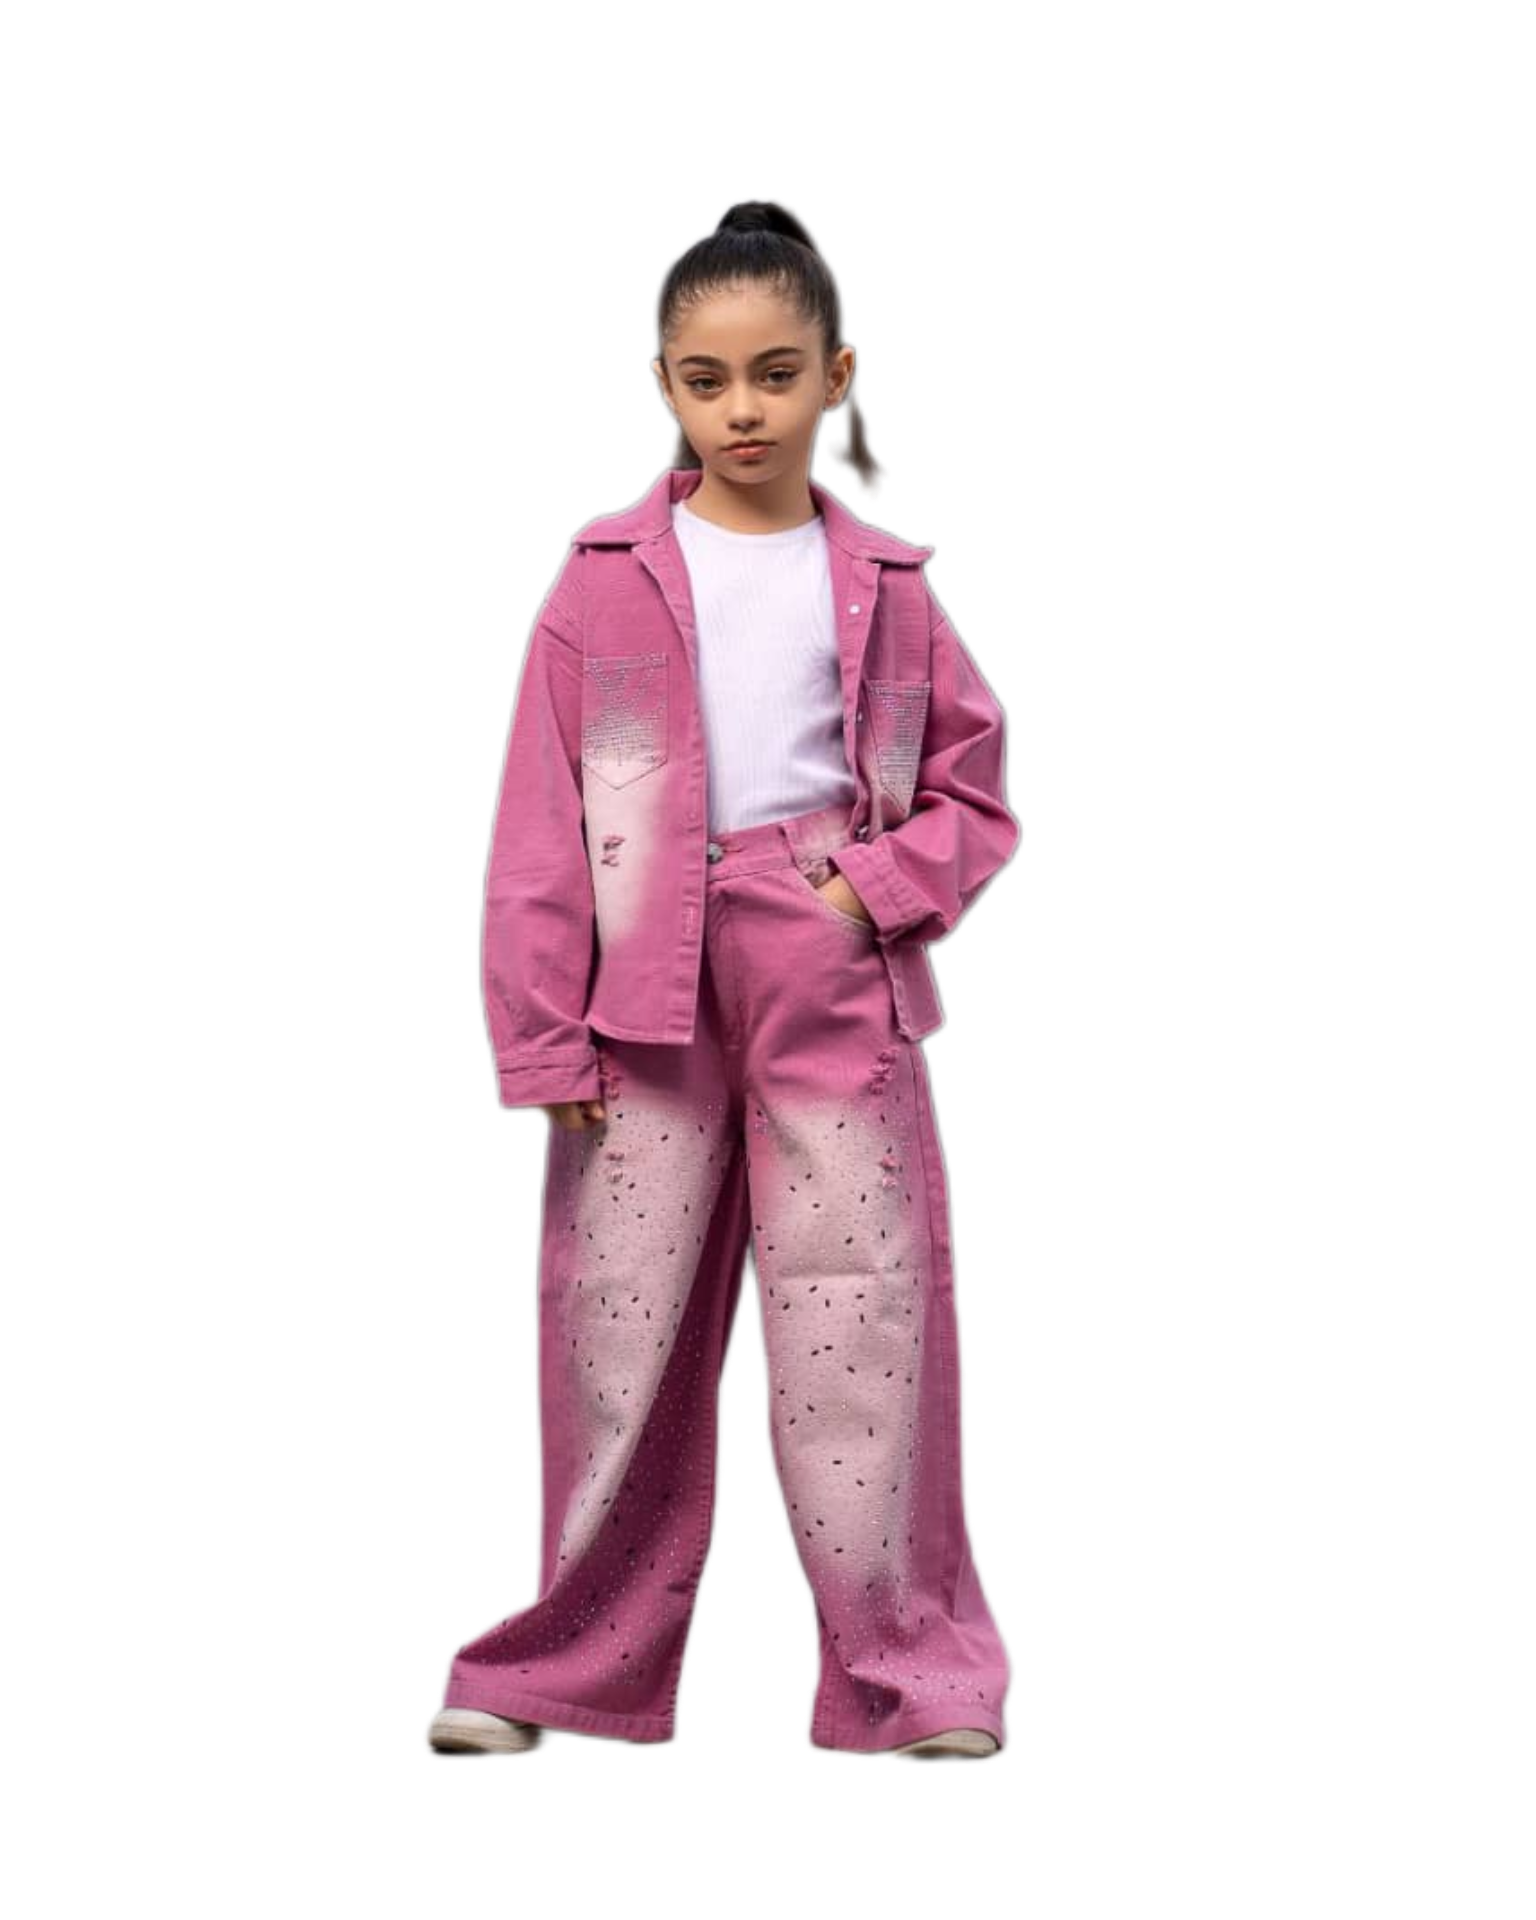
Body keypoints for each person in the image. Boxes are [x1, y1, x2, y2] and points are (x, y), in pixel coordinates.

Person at [424, 198, 1018, 1764]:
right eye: (705, 379)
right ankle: (566, 1672)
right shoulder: (601, 577)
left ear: (836, 376)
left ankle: (912, 1682)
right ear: (664, 389)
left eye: (773, 373)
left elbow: (974, 791)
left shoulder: (888, 581)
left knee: (865, 1318)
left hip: (827, 972)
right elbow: (540, 826)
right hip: (638, 993)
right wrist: (540, 1035)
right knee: (613, 1321)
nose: (741, 407)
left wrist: (869, 890)